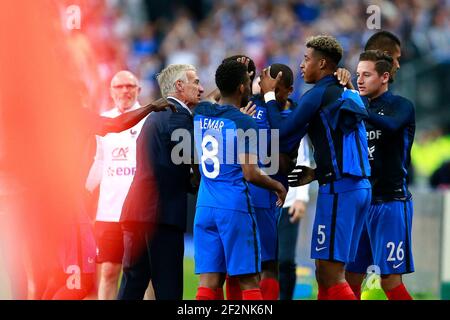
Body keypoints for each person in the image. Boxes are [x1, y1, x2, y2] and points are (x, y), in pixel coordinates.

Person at [260, 35, 372, 300]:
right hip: (356, 185)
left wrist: (267, 95)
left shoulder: (318, 93)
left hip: (340, 190)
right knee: (326, 272)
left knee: (332, 275)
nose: (301, 65)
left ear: (322, 64)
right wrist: (316, 172)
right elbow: (340, 141)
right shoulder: (345, 89)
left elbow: (281, 132)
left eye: (306, 59)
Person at [193, 60, 287, 300]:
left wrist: (228, 73)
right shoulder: (245, 122)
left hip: (204, 205)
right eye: (247, 82)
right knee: (249, 280)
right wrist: (277, 186)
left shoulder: (201, 112)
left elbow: (215, 98)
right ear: (242, 88)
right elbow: (250, 173)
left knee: (209, 282)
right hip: (234, 206)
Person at [118, 64, 204, 300]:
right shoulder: (179, 116)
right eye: (195, 82)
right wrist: (197, 178)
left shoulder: (157, 116)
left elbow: (166, 165)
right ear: (179, 86)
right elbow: (194, 161)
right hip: (160, 217)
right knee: (169, 289)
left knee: (132, 285)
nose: (201, 88)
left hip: (137, 213)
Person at [344, 50, 416, 300]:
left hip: (391, 202)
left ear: (384, 77)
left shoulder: (401, 106)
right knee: (350, 277)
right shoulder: (358, 108)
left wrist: (358, 108)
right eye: (357, 75)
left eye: (366, 75)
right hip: (361, 204)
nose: (360, 80)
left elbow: (393, 126)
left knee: (389, 280)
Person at [85, 70, 153, 299]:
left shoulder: (149, 119)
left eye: (130, 86)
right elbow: (100, 161)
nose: (125, 90)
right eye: (120, 87)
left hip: (140, 211)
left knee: (145, 275)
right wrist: (85, 190)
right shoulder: (104, 120)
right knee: (108, 271)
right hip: (109, 212)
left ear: (139, 90)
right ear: (111, 91)